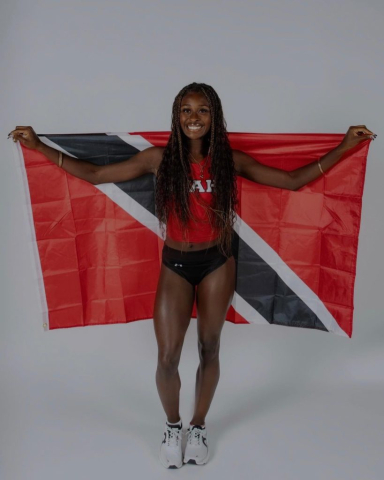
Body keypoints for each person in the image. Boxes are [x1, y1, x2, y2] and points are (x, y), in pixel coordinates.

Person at [8, 82, 375, 468]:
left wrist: (346, 147)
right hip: (176, 265)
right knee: (167, 356)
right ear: (176, 116)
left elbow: (291, 181)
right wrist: (38, 147)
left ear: (214, 116)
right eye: (186, 110)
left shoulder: (228, 161)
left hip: (218, 262)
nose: (194, 118)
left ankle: (198, 427)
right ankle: (172, 425)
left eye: (202, 111)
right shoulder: (158, 159)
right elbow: (97, 175)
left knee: (208, 348)